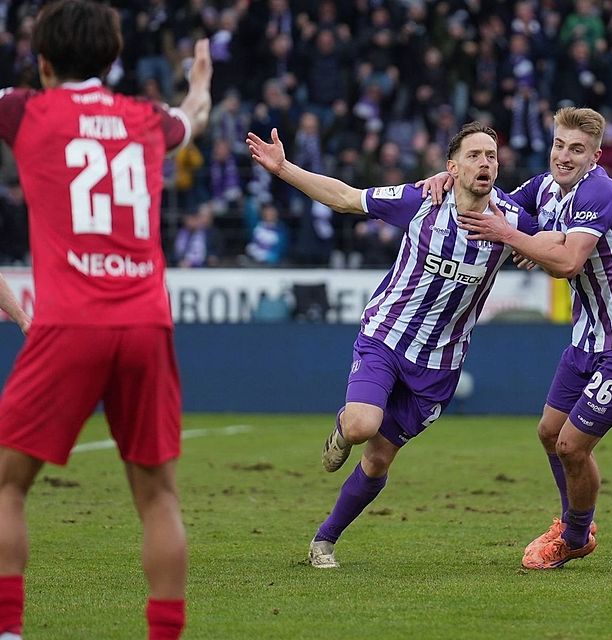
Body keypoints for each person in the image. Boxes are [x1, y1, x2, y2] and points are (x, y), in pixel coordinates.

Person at [0, 2, 211, 638]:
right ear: (114, 60)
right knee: (158, 497)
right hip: (146, 321)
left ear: (41, 62)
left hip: (67, 322)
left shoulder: (23, 108)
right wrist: (199, 80)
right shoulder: (147, 119)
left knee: (8, 488)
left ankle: (8, 630)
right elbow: (193, 118)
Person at [246, 121, 541, 569]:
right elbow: (347, 198)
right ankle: (344, 428)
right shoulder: (422, 201)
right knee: (364, 426)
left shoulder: (513, 222)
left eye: (492, 156)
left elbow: (558, 242)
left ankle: (324, 540)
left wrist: (528, 248)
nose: (485, 163)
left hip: (439, 365)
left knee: (379, 460)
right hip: (387, 336)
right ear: (452, 166)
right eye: (475, 155)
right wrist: (285, 168)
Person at [449, 107, 612, 569]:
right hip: (588, 339)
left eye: (577, 150)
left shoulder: (600, 192)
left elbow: (568, 261)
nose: (564, 157)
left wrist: (520, 238)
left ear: (595, 156)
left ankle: (574, 535)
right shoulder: (545, 188)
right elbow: (500, 204)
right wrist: (447, 178)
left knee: (572, 445)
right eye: (559, 145)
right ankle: (575, 523)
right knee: (549, 432)